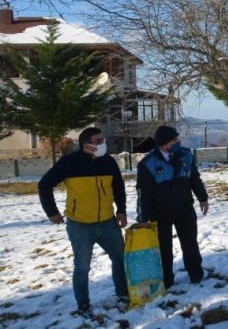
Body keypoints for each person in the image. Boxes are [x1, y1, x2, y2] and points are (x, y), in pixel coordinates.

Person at [38, 127, 128, 314]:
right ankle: (83, 303)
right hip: (80, 225)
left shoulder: (109, 162)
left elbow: (118, 187)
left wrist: (121, 211)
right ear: (86, 145)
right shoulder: (69, 163)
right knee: (82, 267)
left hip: (107, 222)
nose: (103, 144)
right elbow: (44, 184)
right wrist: (51, 212)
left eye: (103, 140)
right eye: (99, 141)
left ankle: (123, 295)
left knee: (120, 259)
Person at [137, 125, 208, 288]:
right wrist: (143, 218)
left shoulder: (185, 155)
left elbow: (195, 179)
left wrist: (203, 198)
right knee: (164, 248)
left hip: (184, 207)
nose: (178, 142)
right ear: (163, 144)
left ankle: (196, 273)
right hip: (160, 212)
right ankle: (167, 279)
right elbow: (144, 194)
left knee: (190, 242)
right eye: (174, 140)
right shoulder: (148, 164)